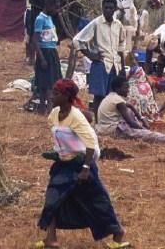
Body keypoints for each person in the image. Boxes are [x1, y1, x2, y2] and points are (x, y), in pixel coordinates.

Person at [38, 79, 129, 249]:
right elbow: (59, 137)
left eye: (55, 94)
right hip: (63, 164)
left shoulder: (76, 117)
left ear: (66, 96)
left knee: (96, 201)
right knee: (52, 199)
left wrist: (86, 168)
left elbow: (90, 145)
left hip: (81, 165)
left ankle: (118, 233)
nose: (51, 97)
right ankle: (51, 239)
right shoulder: (54, 114)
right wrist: (57, 153)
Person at [96, 76, 165, 144]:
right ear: (117, 88)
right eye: (126, 87)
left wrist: (141, 118)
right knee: (151, 136)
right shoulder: (118, 101)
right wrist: (144, 130)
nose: (128, 90)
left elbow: (130, 106)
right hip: (113, 131)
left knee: (130, 113)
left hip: (104, 129)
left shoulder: (111, 97)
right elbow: (131, 123)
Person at [73, 0, 126, 114]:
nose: (108, 10)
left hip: (115, 66)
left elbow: (121, 46)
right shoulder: (96, 23)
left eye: (111, 8)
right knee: (99, 96)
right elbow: (77, 40)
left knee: (112, 97)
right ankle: (98, 121)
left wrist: (122, 67)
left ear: (115, 9)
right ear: (102, 8)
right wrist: (90, 55)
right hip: (101, 64)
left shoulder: (118, 25)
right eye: (106, 8)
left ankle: (108, 120)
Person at [31, 0, 62, 114]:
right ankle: (47, 109)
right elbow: (35, 39)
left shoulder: (49, 18)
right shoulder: (40, 19)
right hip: (45, 52)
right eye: (55, 7)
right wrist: (41, 57)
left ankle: (45, 109)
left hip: (52, 51)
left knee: (50, 81)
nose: (56, 10)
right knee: (47, 83)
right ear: (48, 6)